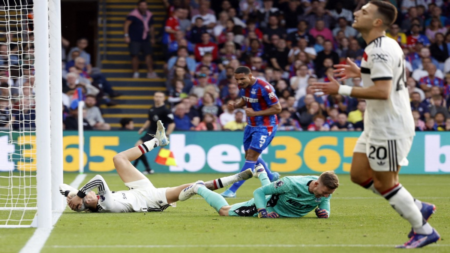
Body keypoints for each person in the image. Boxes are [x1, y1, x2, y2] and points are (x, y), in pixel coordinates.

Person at [311, 1, 440, 248]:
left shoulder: (379, 50)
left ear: (377, 22)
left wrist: (342, 89)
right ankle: (417, 206)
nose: (357, 13)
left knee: (385, 183)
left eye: (365, 12)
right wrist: (361, 72)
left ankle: (423, 230)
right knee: (359, 175)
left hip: (389, 127)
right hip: (376, 125)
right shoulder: (383, 45)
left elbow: (382, 91)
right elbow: (385, 76)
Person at [63, 121, 253, 213]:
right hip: (151, 199)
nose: (87, 194)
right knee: (197, 186)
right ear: (87, 203)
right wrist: (78, 195)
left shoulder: (93, 201)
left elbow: (63, 187)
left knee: (119, 159)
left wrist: (70, 195)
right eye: (85, 197)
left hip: (138, 189)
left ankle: (157, 141)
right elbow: (98, 179)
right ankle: (236, 178)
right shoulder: (107, 204)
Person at [179, 166, 338, 219]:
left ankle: (261, 172)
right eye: (324, 192)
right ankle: (198, 187)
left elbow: (324, 203)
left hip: (277, 201)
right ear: (316, 184)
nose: (326, 195)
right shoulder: (291, 184)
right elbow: (259, 192)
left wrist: (326, 212)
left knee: (272, 189)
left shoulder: (325, 189)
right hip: (267, 205)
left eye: (328, 193)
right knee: (223, 211)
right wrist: (263, 211)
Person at [221, 66, 281, 198]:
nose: (239, 82)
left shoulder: (265, 88)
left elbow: (277, 108)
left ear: (250, 75)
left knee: (251, 157)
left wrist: (256, 113)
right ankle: (271, 176)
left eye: (242, 79)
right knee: (249, 155)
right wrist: (236, 105)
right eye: (237, 79)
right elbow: (246, 99)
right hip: (250, 125)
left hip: (265, 127)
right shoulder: (244, 86)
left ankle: (232, 190)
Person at [136, 92, 175, 174]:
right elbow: (149, 120)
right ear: (154, 97)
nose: (158, 98)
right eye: (156, 96)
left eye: (160, 97)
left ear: (164, 98)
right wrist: (143, 128)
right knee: (138, 148)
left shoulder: (166, 110)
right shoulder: (152, 109)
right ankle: (147, 169)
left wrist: (167, 134)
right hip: (150, 132)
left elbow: (172, 123)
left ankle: (136, 168)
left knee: (138, 147)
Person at [124, 0, 158, 78]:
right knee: (135, 55)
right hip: (135, 38)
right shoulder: (133, 15)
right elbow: (126, 25)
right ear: (138, 6)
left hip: (146, 38)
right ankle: (135, 72)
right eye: (141, 5)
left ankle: (150, 72)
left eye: (145, 5)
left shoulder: (149, 14)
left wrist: (152, 37)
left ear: (147, 6)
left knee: (149, 54)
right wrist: (126, 35)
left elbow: (152, 27)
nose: (143, 7)